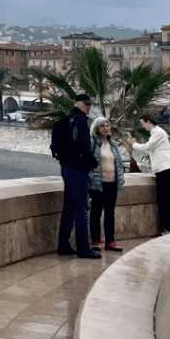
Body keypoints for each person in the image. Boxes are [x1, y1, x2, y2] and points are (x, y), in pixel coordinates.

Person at [53, 93, 101, 258]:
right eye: (86, 104)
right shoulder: (80, 121)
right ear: (78, 103)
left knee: (69, 208)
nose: (88, 107)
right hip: (78, 169)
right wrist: (94, 163)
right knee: (81, 209)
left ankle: (63, 245)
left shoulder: (64, 121)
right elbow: (82, 146)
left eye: (89, 104)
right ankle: (83, 248)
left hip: (66, 168)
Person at [132, 112, 170, 234]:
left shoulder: (158, 133)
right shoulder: (156, 134)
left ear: (148, 121)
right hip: (165, 170)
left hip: (167, 170)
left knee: (169, 200)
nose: (143, 127)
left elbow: (147, 147)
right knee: (168, 199)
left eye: (143, 124)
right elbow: (147, 151)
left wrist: (133, 144)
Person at [88, 117, 125, 252]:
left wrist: (121, 178)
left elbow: (119, 163)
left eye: (107, 125)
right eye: (102, 126)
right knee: (96, 212)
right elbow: (89, 162)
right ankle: (96, 241)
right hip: (98, 184)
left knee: (110, 213)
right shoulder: (93, 143)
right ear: (97, 128)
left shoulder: (113, 144)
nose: (105, 128)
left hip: (112, 183)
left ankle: (110, 241)